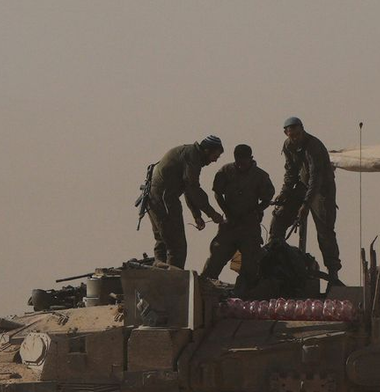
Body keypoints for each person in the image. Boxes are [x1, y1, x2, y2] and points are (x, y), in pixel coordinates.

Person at [268, 117, 341, 284]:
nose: (295, 137)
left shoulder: (313, 146)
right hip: (302, 186)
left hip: (322, 190)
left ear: (303, 130)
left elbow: (316, 177)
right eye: (292, 135)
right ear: (286, 133)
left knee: (325, 230)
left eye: (298, 134)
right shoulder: (288, 146)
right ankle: (275, 259)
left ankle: (333, 271)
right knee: (279, 217)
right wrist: (284, 193)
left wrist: (306, 204)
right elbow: (290, 172)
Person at [144, 136, 225, 268]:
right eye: (215, 156)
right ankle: (172, 282)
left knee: (163, 241)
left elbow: (188, 188)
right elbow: (193, 188)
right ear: (206, 151)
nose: (215, 160)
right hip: (164, 200)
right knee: (177, 246)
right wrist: (212, 213)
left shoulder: (189, 153)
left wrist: (196, 215)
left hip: (154, 199)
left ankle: (160, 273)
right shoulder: (192, 157)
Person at [201, 144, 275, 285]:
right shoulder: (226, 171)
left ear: (250, 159)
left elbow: (267, 198)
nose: (241, 166)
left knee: (250, 265)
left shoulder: (260, 176)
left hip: (249, 227)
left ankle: (245, 294)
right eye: (238, 162)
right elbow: (217, 193)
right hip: (230, 225)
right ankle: (205, 288)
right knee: (216, 258)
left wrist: (256, 211)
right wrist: (228, 213)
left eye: (244, 162)